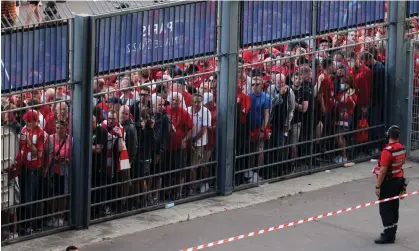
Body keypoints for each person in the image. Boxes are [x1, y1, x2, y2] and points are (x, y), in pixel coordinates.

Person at [373, 125, 406, 244]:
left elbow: (383, 171)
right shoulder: (401, 148)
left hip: (388, 183)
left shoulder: (387, 151)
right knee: (394, 206)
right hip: (398, 180)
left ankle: (388, 234)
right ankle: (393, 231)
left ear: (388, 136)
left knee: (385, 208)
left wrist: (378, 186)